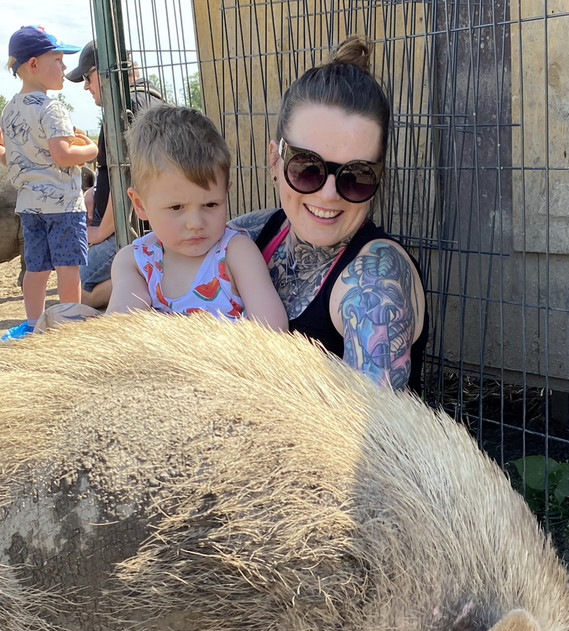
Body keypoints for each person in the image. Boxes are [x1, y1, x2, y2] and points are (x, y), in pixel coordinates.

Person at [229, 35, 427, 392]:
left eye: (356, 175)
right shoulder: (248, 234)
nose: (329, 194)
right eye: (307, 167)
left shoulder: (375, 283)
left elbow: (370, 438)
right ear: (274, 160)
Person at [105, 103, 287, 332]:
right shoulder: (137, 263)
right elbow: (120, 330)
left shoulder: (235, 253)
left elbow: (274, 333)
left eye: (211, 204)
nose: (196, 223)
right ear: (140, 205)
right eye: (176, 207)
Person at [0, 25, 98, 336]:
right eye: (57, 59)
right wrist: (90, 148)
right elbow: (62, 155)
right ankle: (69, 324)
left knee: (37, 267)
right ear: (33, 64)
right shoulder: (53, 109)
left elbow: (10, 158)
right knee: (68, 266)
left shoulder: (9, 111)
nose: (65, 67)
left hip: (30, 205)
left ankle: (32, 323)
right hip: (62, 205)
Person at [65, 42, 166, 308]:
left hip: (133, 230)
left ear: (102, 72)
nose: (86, 86)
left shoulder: (124, 107)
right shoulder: (152, 96)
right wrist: (95, 192)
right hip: (147, 223)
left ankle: (157, 276)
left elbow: (127, 178)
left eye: (87, 78)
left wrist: (100, 232)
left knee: (78, 279)